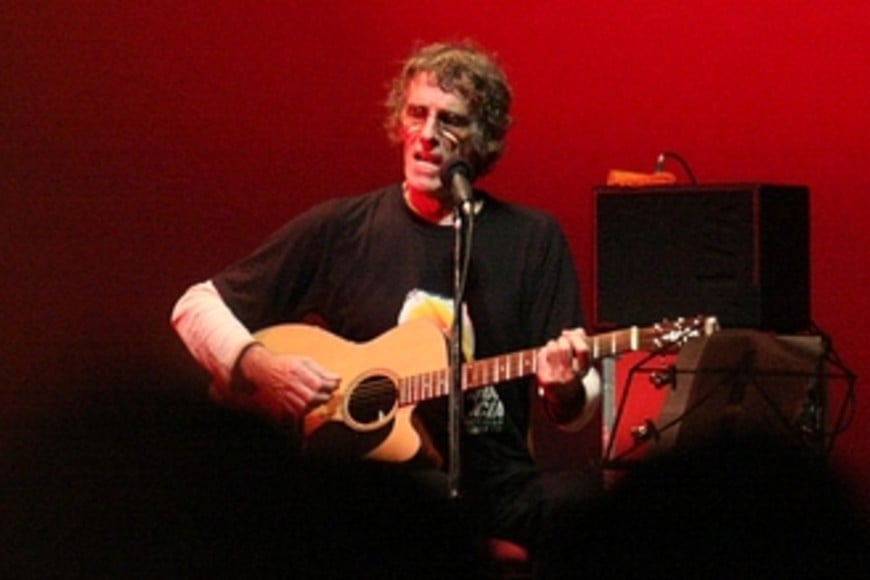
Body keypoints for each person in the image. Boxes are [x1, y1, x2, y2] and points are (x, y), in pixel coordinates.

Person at [171, 40, 601, 578]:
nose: (428, 135)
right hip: (377, 501)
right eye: (417, 113)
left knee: (588, 510)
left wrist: (564, 385)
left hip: (498, 492)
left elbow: (578, 403)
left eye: (451, 121)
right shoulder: (343, 229)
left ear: (484, 138)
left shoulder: (532, 238)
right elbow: (195, 307)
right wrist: (260, 365)